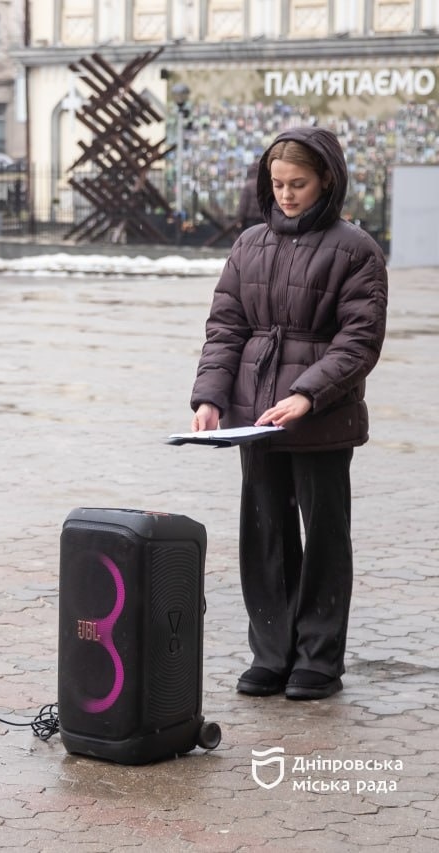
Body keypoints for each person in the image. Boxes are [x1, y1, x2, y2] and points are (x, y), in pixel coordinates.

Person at [189, 126, 388, 701]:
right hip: (255, 417)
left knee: (324, 538)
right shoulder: (249, 244)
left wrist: (307, 395)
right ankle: (271, 655)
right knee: (265, 537)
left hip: (321, 418)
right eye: (277, 184)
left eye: (297, 183)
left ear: (326, 179)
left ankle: (318, 660)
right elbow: (225, 327)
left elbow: (359, 341)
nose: (286, 194)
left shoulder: (356, 249)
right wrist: (210, 397)